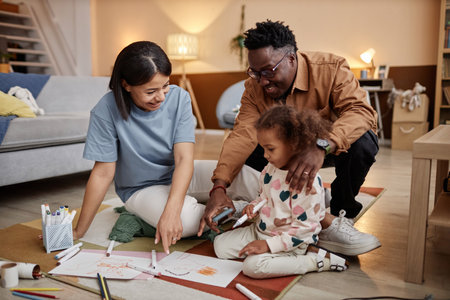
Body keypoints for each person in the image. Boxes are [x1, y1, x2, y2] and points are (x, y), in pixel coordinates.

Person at [199, 20, 381, 256]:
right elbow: (243, 134)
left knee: (363, 142)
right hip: (281, 151)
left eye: (268, 71)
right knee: (251, 148)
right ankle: (270, 209)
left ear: (291, 59)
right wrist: (219, 186)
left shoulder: (332, 68)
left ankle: (337, 215)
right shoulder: (254, 87)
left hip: (328, 148)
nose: (262, 81)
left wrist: (322, 146)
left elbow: (361, 112)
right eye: (255, 72)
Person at [73, 41, 216, 254]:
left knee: (243, 175)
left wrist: (171, 209)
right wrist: (78, 232)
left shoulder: (179, 98)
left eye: (165, 85)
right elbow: (103, 173)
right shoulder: (105, 111)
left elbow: (184, 160)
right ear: (126, 85)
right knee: (185, 222)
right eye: (151, 91)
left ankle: (212, 206)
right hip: (141, 189)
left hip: (179, 174)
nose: (161, 97)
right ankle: (228, 209)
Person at [214, 105, 348, 278]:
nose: (265, 155)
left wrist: (269, 246)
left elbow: (305, 229)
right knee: (219, 246)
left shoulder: (309, 182)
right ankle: (272, 255)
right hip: (261, 231)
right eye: (263, 148)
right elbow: (264, 197)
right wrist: (254, 207)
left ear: (294, 145)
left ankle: (312, 260)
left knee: (253, 267)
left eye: (270, 149)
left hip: (292, 240)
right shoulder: (270, 168)